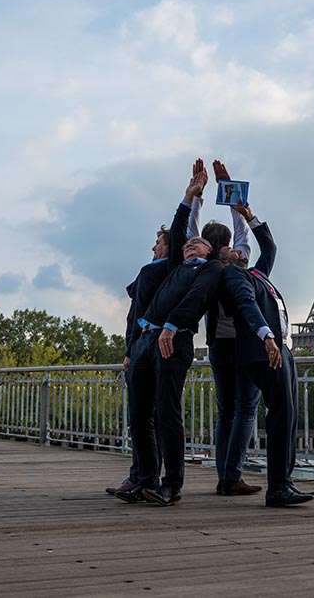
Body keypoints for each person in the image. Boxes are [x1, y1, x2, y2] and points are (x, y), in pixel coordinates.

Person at [116, 165, 224, 507]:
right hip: (147, 340)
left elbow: (196, 301)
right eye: (189, 243)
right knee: (139, 416)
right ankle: (143, 479)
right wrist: (189, 195)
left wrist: (173, 325)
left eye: (200, 242)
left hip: (172, 340)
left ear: (212, 251)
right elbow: (179, 229)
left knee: (166, 412)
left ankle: (171, 484)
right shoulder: (176, 266)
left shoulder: (212, 270)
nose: (192, 244)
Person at [221, 218, 314, 507]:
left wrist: (248, 215)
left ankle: (283, 482)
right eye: (230, 250)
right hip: (265, 351)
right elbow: (246, 303)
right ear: (224, 261)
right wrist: (266, 335)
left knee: (287, 414)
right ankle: (278, 486)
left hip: (279, 349)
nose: (238, 250)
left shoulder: (255, 274)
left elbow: (269, 247)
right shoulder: (234, 277)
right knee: (281, 415)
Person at [193, 161, 275, 497]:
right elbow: (250, 237)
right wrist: (232, 196)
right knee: (246, 410)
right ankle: (232, 475)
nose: (237, 249)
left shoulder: (203, 268)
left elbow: (190, 232)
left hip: (218, 347)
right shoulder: (239, 269)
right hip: (245, 345)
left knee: (226, 410)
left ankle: (225, 474)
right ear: (226, 249)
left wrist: (196, 196)